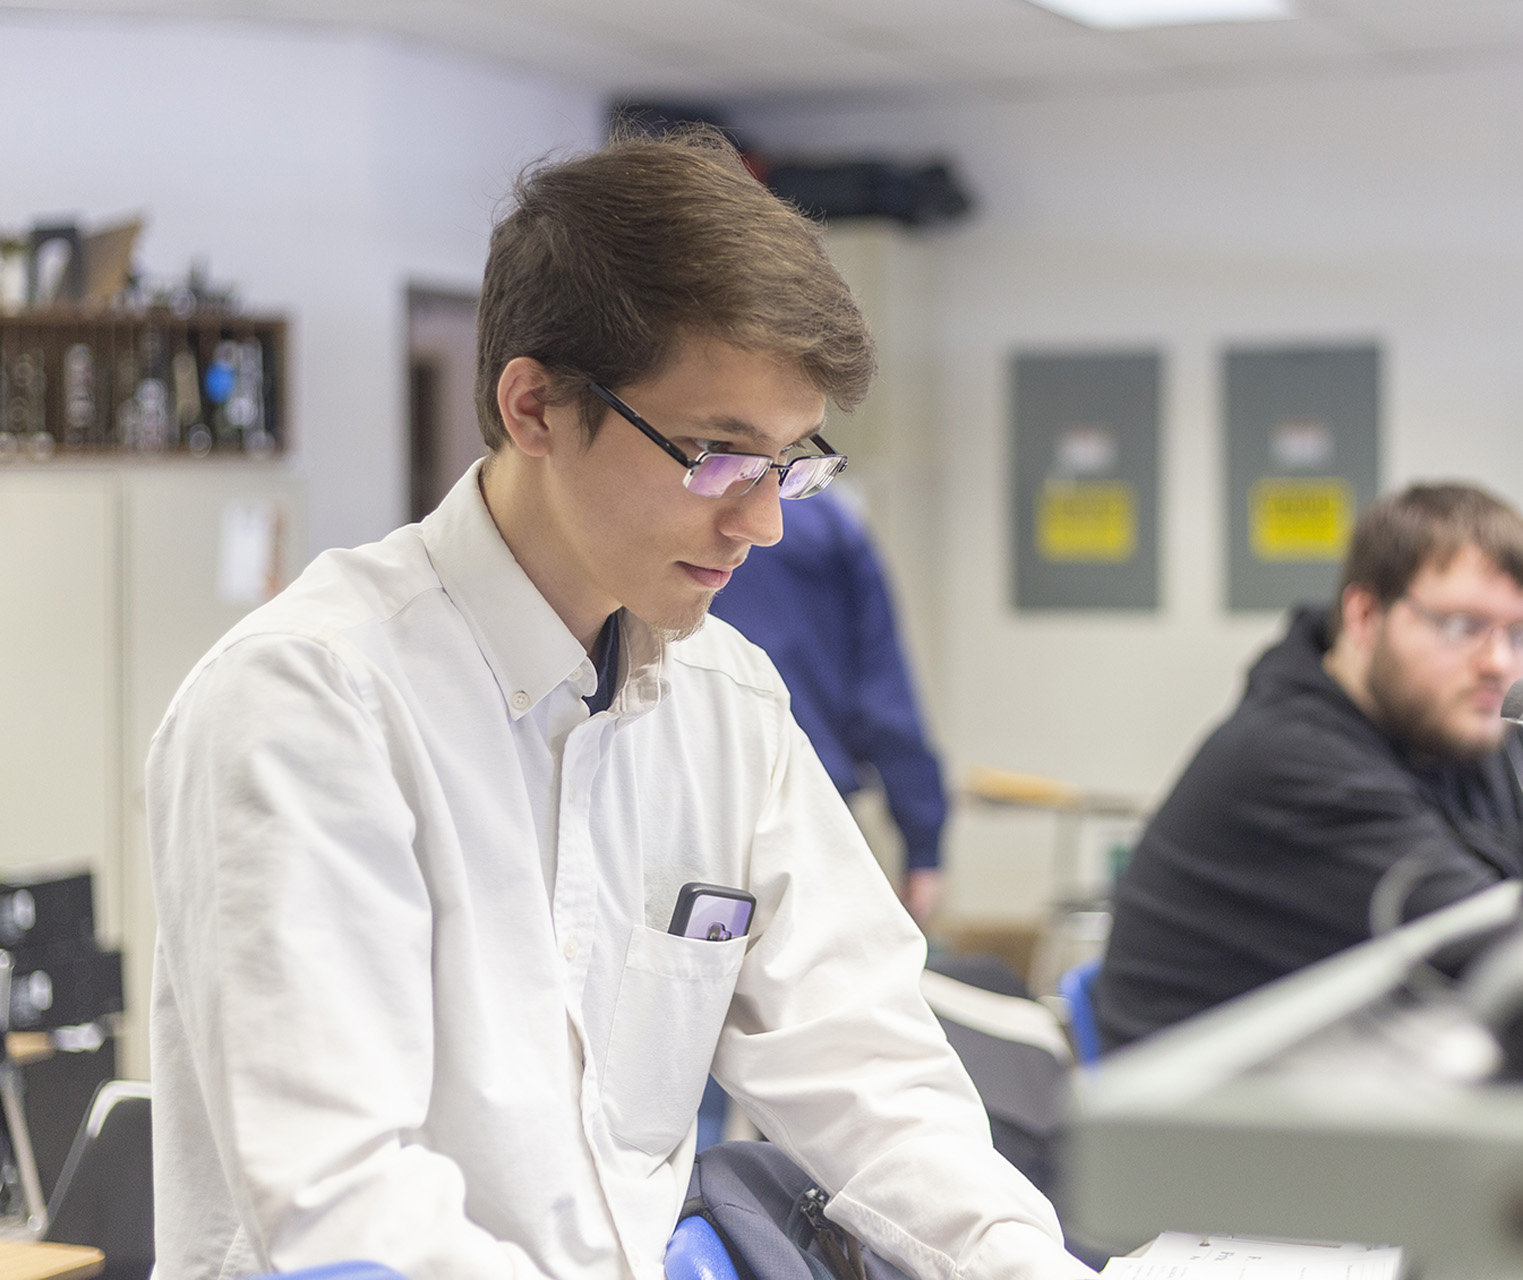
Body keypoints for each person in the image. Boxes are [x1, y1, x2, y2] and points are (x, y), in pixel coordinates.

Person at [146, 131, 1091, 1280]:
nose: (764, 522)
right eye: (715, 454)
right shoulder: (310, 702)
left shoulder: (726, 704)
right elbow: (345, 1203)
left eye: (791, 461)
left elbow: (872, 1073)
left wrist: (1021, 1263)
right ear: (534, 404)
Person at [1096, 483, 1523, 1051]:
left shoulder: (1468, 730)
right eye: (1462, 627)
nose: (1499, 663)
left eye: (1522, 634)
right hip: (1201, 1119)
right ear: (1363, 614)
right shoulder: (1291, 764)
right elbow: (1501, 951)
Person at [710, 491, 948, 923]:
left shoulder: (664, 510)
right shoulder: (821, 521)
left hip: (678, 794)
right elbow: (883, 697)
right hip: (806, 808)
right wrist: (922, 846)